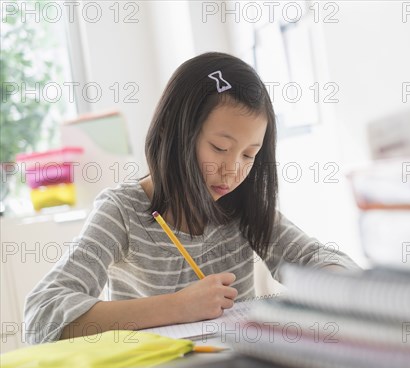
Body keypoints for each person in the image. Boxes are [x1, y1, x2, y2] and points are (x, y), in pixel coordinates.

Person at [24, 52, 361, 344]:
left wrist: (332, 281)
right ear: (176, 131)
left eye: (249, 154)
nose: (233, 171)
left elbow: (319, 258)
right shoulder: (122, 211)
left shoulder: (242, 206)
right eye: (220, 148)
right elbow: (41, 317)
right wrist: (177, 307)